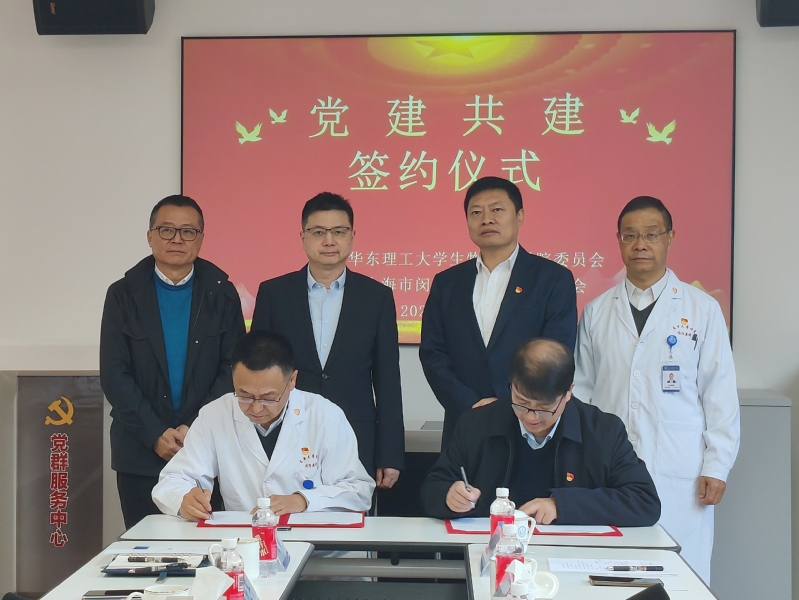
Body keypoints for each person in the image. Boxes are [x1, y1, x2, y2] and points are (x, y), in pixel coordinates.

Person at [573, 195, 740, 583]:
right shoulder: (597, 311)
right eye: (630, 235)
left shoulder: (702, 310)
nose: (640, 244)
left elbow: (719, 394)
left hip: (680, 469)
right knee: (611, 577)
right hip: (610, 469)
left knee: (681, 576)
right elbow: (581, 394)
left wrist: (717, 465)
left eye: (651, 234)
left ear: (669, 238)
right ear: (618, 240)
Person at [100, 194, 245, 529]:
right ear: (150, 236)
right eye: (167, 230)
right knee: (146, 548)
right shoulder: (122, 294)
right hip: (140, 451)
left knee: (209, 548)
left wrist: (194, 428)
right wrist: (154, 433)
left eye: (188, 231)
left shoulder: (223, 294)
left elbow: (233, 371)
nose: (177, 239)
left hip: (208, 450)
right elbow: (114, 374)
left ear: (201, 238)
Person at [251, 192, 404, 488]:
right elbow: (259, 372)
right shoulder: (274, 294)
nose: (329, 240)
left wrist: (390, 453)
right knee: (286, 512)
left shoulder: (376, 297)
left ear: (352, 236)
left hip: (355, 435)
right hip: (286, 434)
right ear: (303, 237)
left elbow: (387, 380)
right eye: (318, 232)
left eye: (339, 231)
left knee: (351, 515)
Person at [421, 339, 660, 527]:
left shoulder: (603, 431)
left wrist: (562, 505)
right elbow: (433, 486)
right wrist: (449, 497)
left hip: (571, 557)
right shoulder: (478, 422)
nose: (531, 417)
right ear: (512, 385)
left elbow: (644, 501)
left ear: (568, 392)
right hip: (492, 551)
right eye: (521, 402)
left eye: (544, 408)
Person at [420, 176, 578, 449]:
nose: (486, 219)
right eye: (476, 212)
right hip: (464, 424)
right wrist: (470, 404)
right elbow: (433, 353)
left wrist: (510, 405)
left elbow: (556, 352)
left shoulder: (552, 279)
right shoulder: (448, 283)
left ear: (520, 216)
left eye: (497, 209)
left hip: (530, 425)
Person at [152, 330, 375, 519]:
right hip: (245, 544)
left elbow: (358, 491)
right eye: (245, 395)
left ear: (292, 380)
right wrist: (184, 499)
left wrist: (303, 500)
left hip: (320, 548)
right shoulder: (215, 415)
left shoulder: (324, 415)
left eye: (269, 398)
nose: (256, 408)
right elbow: (173, 479)